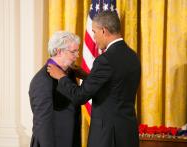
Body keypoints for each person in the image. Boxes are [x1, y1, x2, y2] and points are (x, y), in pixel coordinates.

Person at [47, 11, 141, 147]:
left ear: (104, 31)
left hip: (108, 137)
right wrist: (87, 76)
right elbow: (115, 84)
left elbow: (80, 96)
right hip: (128, 133)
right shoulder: (133, 56)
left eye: (94, 32)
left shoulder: (105, 60)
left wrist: (61, 77)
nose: (94, 38)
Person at [29, 31, 81, 147]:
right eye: (73, 52)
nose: (77, 55)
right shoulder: (42, 80)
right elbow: (43, 125)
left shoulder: (69, 74)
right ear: (59, 51)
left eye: (77, 51)